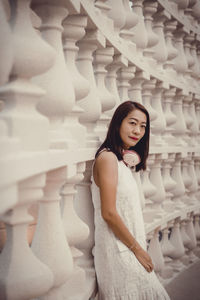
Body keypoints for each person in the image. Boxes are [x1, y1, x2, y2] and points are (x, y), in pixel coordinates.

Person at [91, 101, 170, 300]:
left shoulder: (119, 160)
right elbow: (108, 212)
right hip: (119, 252)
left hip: (128, 250)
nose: (138, 130)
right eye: (132, 123)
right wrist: (138, 250)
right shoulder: (107, 158)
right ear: (118, 123)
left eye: (143, 126)